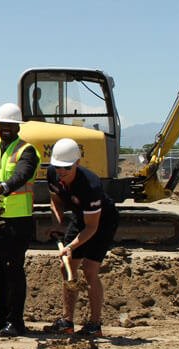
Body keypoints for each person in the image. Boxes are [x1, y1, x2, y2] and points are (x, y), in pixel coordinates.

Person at [43, 138, 118, 337]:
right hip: (79, 217)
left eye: (67, 167)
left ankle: (95, 325)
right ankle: (67, 321)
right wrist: (58, 222)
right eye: (58, 166)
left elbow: (92, 227)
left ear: (77, 162)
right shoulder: (52, 174)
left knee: (89, 270)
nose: (61, 171)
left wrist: (71, 246)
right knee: (66, 266)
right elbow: (55, 200)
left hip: (102, 222)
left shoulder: (90, 185)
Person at [0, 103, 41, 337]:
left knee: (13, 269)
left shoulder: (27, 150)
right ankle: (1, 318)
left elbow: (22, 175)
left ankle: (16, 321)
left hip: (17, 219)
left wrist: (2, 188)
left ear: (18, 127)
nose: (5, 128)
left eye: (10, 125)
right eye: (2, 124)